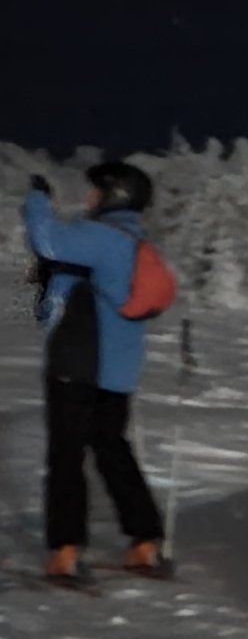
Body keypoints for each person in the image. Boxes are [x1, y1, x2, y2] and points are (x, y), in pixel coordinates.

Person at [24, 162, 170, 582]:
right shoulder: (137, 242)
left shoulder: (102, 237)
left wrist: (37, 200)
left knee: (66, 456)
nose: (89, 198)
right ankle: (144, 541)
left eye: (96, 191)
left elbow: (47, 240)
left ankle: (65, 551)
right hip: (118, 372)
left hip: (78, 365)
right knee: (112, 450)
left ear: (114, 194)